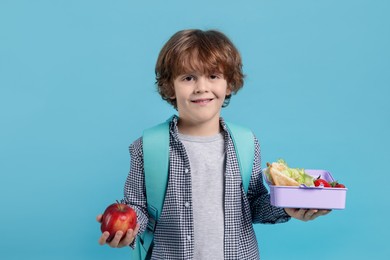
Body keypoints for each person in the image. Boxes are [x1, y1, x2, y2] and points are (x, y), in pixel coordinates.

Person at [97, 29, 330, 259]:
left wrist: (286, 206)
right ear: (170, 87)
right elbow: (137, 206)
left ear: (228, 84)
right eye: (188, 77)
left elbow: (254, 204)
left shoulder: (247, 143)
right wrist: (126, 230)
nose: (201, 87)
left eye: (213, 76)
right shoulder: (146, 147)